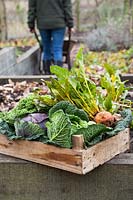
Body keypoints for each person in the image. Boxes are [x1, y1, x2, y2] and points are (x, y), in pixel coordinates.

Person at [27, 0, 74, 75]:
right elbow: (67, 7)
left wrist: (31, 24)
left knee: (46, 49)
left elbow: (32, 8)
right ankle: (58, 74)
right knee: (57, 49)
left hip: (43, 23)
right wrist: (70, 24)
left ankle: (47, 73)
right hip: (59, 23)